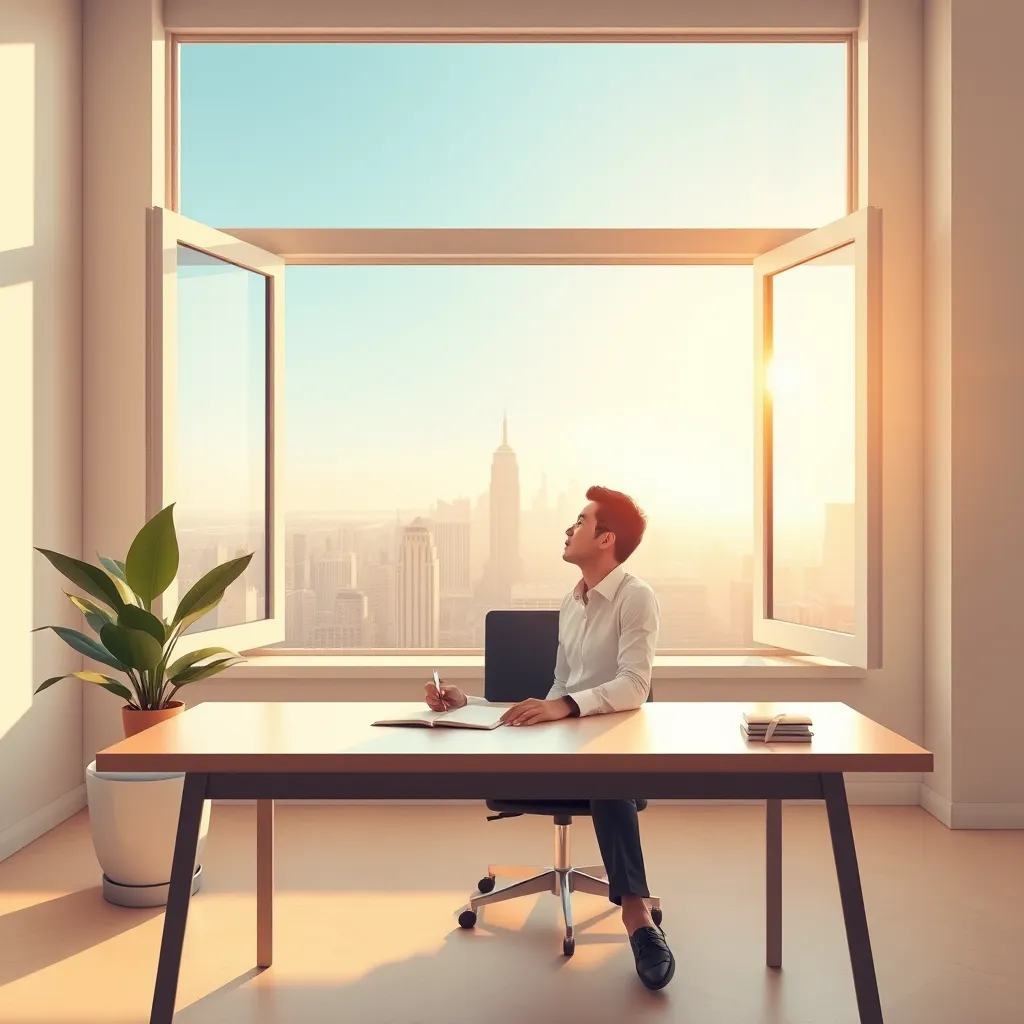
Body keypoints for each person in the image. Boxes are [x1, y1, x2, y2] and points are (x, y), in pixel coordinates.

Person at [424, 485, 675, 990]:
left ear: (606, 538)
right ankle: (636, 910)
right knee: (588, 764)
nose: (569, 529)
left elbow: (634, 685)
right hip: (564, 744)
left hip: (608, 751)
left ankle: (637, 919)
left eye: (580, 522)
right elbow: (557, 686)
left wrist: (565, 706)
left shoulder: (636, 597)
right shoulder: (572, 601)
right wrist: (467, 702)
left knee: (608, 774)